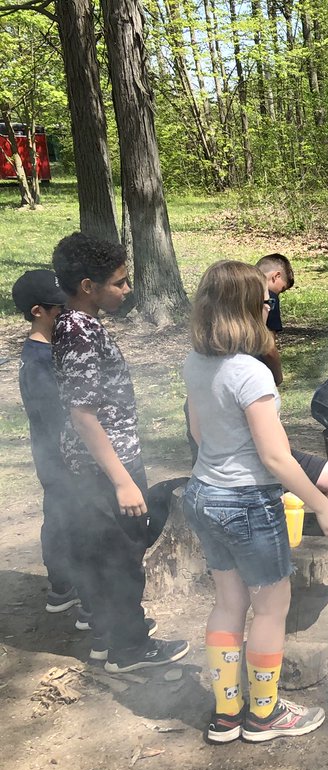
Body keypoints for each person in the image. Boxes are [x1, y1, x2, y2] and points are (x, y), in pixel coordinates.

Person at [182, 260, 328, 743]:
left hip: (204, 495)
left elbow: (197, 432)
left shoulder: (195, 362)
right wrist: (323, 505)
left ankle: (226, 714)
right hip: (248, 503)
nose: (267, 305)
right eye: (262, 299)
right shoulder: (250, 374)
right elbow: (276, 459)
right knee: (272, 607)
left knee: (228, 602)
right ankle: (264, 714)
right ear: (246, 307)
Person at [51, 233, 190, 673]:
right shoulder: (78, 331)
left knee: (104, 555)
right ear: (88, 286)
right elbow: (83, 415)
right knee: (121, 559)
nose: (127, 290)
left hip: (101, 466)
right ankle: (130, 650)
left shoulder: (81, 325)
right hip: (105, 469)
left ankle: (108, 641)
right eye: (120, 283)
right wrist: (123, 480)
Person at [13, 270, 78, 614]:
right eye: (59, 309)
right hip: (57, 454)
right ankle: (64, 586)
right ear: (38, 311)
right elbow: (54, 417)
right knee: (63, 514)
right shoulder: (38, 362)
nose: (66, 314)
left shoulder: (47, 350)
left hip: (59, 452)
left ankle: (66, 584)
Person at [256, 253, 294, 336]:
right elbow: (270, 345)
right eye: (282, 289)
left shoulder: (231, 288)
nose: (278, 293)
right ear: (277, 276)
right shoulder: (270, 298)